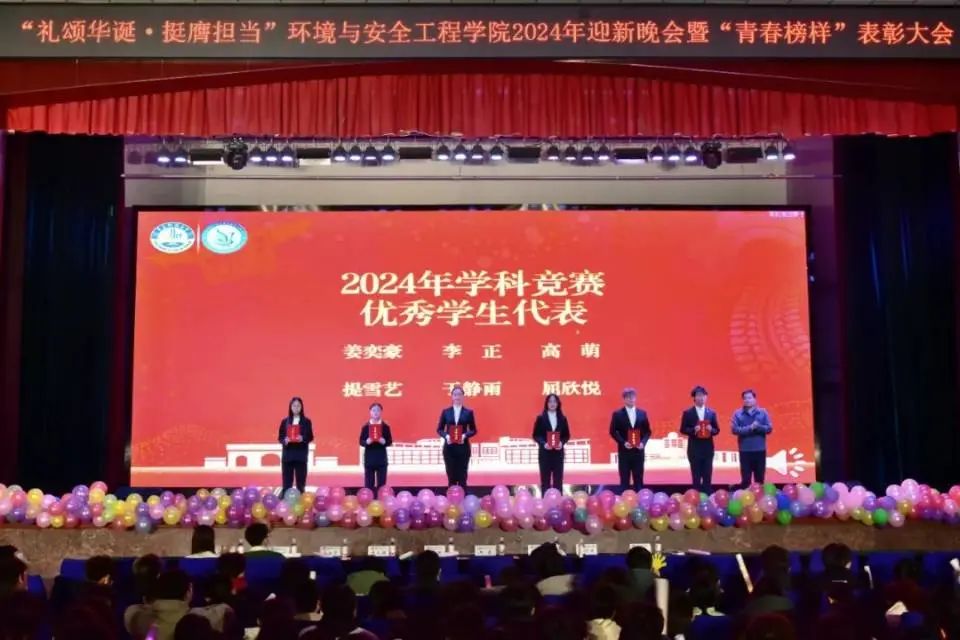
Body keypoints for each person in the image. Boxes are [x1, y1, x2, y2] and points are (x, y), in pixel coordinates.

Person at [609, 387, 651, 491]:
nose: (631, 399)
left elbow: (648, 431)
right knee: (624, 481)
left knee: (639, 481)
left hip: (638, 452)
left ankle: (640, 500)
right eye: (628, 397)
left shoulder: (642, 413)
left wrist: (643, 443)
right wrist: (623, 442)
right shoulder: (617, 414)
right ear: (624, 399)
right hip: (624, 453)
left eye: (633, 397)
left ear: (635, 398)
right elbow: (613, 431)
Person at [679, 385, 720, 492]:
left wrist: (711, 429)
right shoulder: (688, 413)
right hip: (694, 448)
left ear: (706, 397)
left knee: (707, 474)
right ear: (694, 397)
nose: (701, 397)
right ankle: (696, 496)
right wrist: (693, 430)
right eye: (698, 395)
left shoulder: (711, 413)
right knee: (696, 476)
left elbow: (717, 430)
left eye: (703, 395)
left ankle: (708, 495)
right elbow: (683, 429)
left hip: (708, 448)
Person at [436, 385, 477, 488]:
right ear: (452, 396)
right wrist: (446, 436)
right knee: (451, 476)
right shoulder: (446, 412)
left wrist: (464, 435)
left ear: (463, 396)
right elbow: (439, 429)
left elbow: (473, 430)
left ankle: (463, 496)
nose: (457, 397)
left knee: (462, 477)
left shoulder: (468, 412)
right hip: (449, 449)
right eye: (455, 395)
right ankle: (452, 497)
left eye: (459, 394)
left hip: (463, 449)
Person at [731, 389, 773, 487]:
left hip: (760, 450)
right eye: (745, 398)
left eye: (750, 398)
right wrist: (750, 428)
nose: (747, 400)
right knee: (746, 480)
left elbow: (769, 428)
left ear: (755, 399)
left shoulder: (763, 412)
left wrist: (758, 427)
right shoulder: (737, 414)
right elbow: (734, 430)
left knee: (759, 479)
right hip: (745, 450)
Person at [532, 393, 570, 494]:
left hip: (558, 454)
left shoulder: (563, 418)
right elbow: (536, 435)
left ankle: (558, 501)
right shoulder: (541, 418)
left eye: (554, 401)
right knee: (545, 481)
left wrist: (561, 443)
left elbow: (566, 435)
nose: (552, 404)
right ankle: (545, 501)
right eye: (550, 401)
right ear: (546, 403)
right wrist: (544, 444)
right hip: (545, 454)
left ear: (558, 404)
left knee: (558, 481)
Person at [278, 396, 314, 494]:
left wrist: (303, 438)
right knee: (286, 484)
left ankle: (301, 501)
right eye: (294, 405)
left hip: (300, 455)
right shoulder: (285, 421)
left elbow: (310, 437)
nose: (296, 408)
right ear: (290, 407)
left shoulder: (307, 421)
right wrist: (284, 440)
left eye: (298, 406)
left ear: (302, 407)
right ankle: (285, 501)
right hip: (287, 456)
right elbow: (280, 437)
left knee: (301, 485)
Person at [360, 402, 393, 492]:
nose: (375, 412)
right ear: (370, 412)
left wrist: (384, 442)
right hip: (369, 459)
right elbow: (361, 441)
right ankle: (369, 499)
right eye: (373, 410)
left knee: (382, 486)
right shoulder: (365, 427)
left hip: (381, 459)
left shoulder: (385, 427)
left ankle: (380, 499)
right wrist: (366, 442)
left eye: (378, 410)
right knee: (368, 485)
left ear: (381, 412)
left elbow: (390, 441)